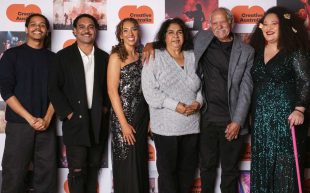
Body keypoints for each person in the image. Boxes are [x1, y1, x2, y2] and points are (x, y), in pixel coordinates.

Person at [192, 8, 254, 193]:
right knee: (206, 168)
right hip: (207, 119)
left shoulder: (246, 51)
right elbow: (172, 40)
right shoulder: (201, 39)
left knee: (230, 171)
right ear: (209, 25)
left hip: (232, 121)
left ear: (231, 23)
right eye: (215, 23)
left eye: (223, 22)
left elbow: (246, 89)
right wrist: (151, 46)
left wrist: (237, 121)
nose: (219, 27)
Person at [249, 6, 310, 193]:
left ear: (283, 26)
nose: (268, 27)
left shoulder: (293, 50)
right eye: (264, 24)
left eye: (274, 24)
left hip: (287, 118)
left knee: (286, 165)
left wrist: (300, 109)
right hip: (261, 118)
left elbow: (305, 80)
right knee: (263, 162)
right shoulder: (256, 51)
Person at [48, 14, 109, 193]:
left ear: (95, 31)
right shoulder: (62, 57)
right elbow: (53, 89)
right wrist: (68, 113)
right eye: (81, 27)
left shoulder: (105, 58)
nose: (86, 30)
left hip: (98, 120)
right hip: (75, 120)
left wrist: (104, 108)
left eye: (90, 27)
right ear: (74, 31)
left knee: (93, 167)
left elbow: (110, 88)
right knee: (77, 169)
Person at [142, 18, 203, 193]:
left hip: (191, 126)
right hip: (166, 127)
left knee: (187, 174)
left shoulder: (193, 56)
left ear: (184, 35)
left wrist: (198, 103)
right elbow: (150, 92)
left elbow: (204, 86)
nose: (175, 36)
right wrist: (176, 106)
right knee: (168, 174)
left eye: (179, 32)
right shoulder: (154, 56)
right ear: (164, 36)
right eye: (170, 32)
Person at [0, 14, 56, 193]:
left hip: (46, 126)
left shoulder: (54, 59)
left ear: (47, 31)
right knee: (14, 176)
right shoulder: (11, 55)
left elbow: (58, 93)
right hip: (19, 125)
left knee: (46, 178)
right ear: (26, 29)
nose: (38, 28)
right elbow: (6, 92)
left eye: (42, 25)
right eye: (33, 24)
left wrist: (46, 119)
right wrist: (29, 118)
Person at [107, 18, 149, 193]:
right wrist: (123, 124)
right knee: (126, 164)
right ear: (120, 34)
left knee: (139, 163)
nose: (130, 34)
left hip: (141, 115)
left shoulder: (142, 54)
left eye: (134, 29)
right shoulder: (116, 56)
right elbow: (111, 91)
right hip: (122, 118)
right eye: (125, 30)